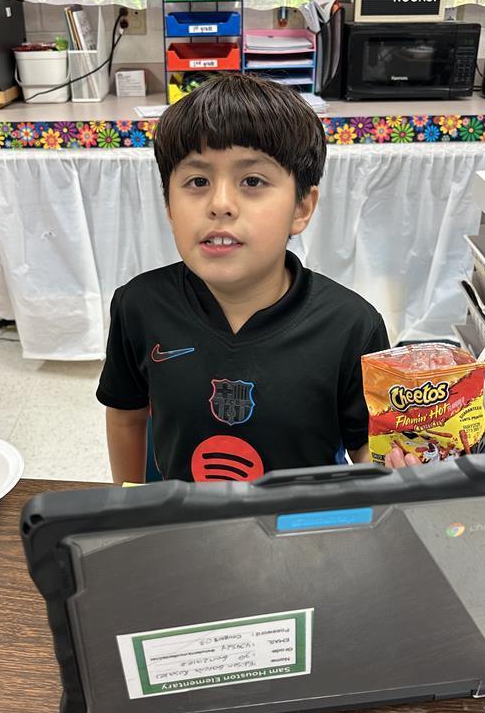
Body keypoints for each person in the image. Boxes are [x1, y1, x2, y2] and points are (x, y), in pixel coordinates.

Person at [97, 73, 414, 483]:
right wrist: (129, 506)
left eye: (252, 181)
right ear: (169, 206)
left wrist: (405, 467)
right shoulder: (138, 305)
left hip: (303, 532)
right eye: (197, 181)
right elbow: (126, 416)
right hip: (185, 528)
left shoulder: (352, 324)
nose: (221, 204)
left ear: (301, 207)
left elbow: (365, 447)